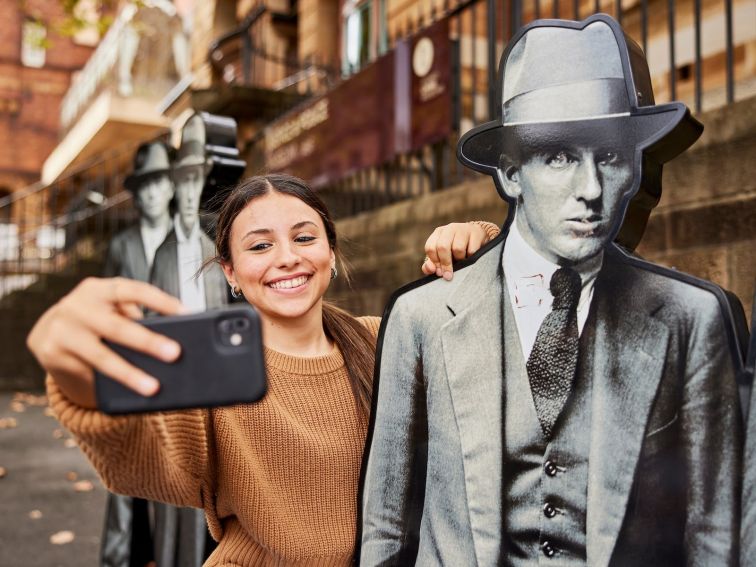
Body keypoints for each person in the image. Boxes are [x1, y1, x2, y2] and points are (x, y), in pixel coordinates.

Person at [361, 15, 743, 566]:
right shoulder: (422, 317)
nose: (590, 190)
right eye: (560, 157)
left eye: (609, 157)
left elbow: (717, 537)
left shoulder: (692, 320)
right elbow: (386, 530)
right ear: (512, 173)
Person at [26, 173, 497, 565]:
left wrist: (485, 249)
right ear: (229, 272)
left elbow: (506, 357)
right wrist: (76, 371)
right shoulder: (212, 374)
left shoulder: (389, 338)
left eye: (304, 237)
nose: (287, 257)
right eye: (259, 246)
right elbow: (141, 454)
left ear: (330, 253)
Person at [101, 139, 175, 567]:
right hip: (128, 368)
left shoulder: (190, 240)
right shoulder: (120, 245)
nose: (150, 192)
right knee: (124, 469)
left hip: (172, 367)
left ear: (170, 187)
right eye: (143, 184)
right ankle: (118, 559)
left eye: (159, 182)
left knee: (175, 467)